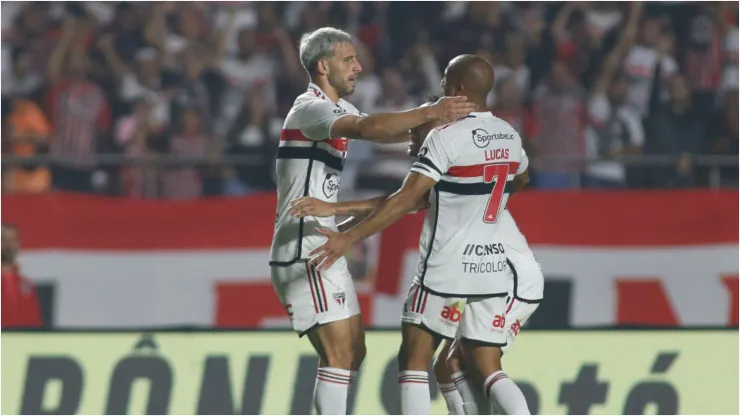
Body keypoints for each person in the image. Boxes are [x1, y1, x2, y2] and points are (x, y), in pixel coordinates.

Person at [308, 54, 531, 415]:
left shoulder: (446, 137)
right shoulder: (510, 134)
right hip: (491, 268)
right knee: (486, 367)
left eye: (445, 81)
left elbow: (405, 199)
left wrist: (349, 238)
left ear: (458, 89)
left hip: (446, 267)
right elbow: (520, 180)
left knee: (414, 357)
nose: (441, 88)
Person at [268, 27, 476, 415]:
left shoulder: (340, 111)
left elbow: (383, 129)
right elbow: (370, 129)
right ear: (323, 66)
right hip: (302, 247)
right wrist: (433, 111)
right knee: (339, 353)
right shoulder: (309, 109)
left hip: (322, 239)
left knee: (354, 351)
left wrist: (440, 134)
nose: (359, 67)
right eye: (349, 60)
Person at [1, 223, 43, 328]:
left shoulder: (27, 285)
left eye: (13, 240)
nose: (8, 245)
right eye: (3, 239)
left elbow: (36, 324)